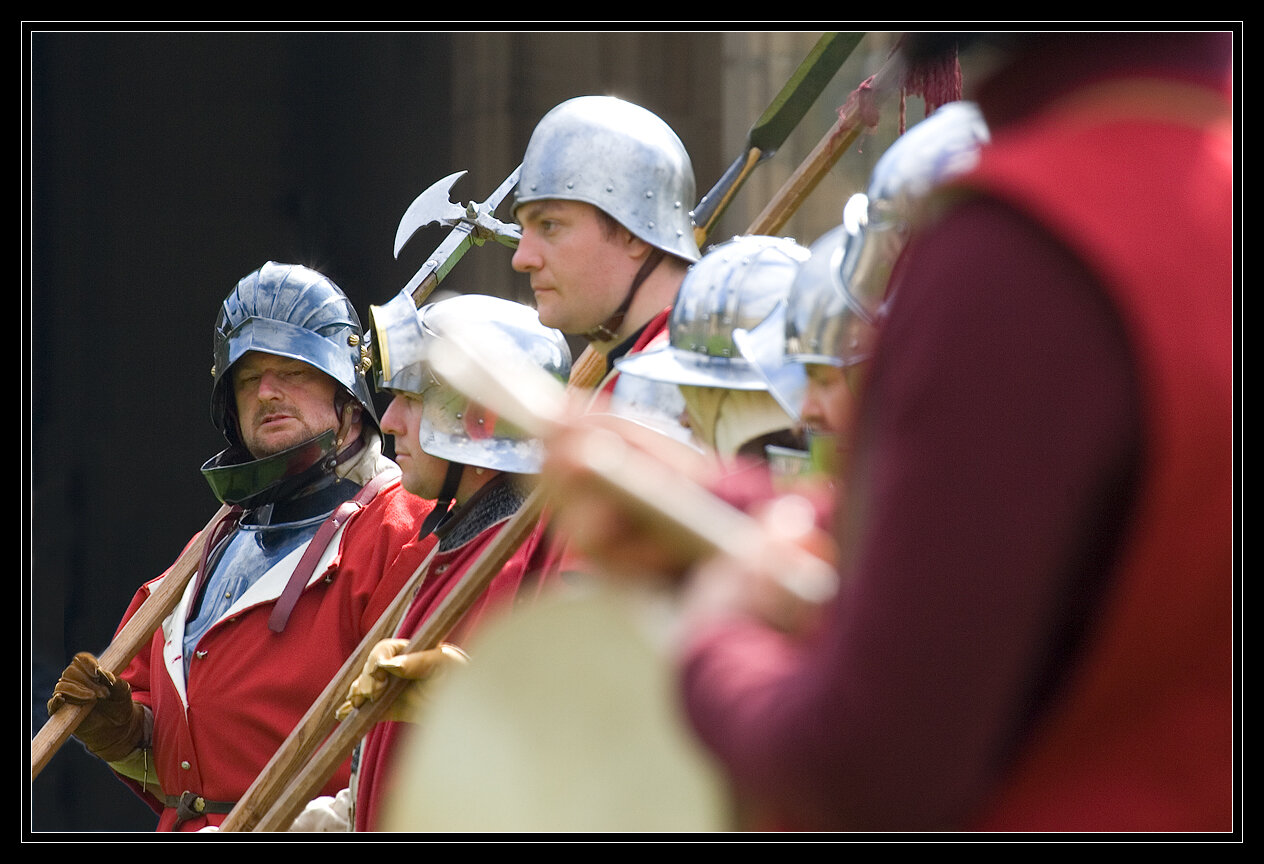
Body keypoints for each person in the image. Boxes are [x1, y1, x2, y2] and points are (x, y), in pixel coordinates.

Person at [667, 32, 1234, 832]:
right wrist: (704, 502)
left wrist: (709, 641)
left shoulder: (1021, 249)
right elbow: (1003, 539)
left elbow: (868, 763)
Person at [44, 262, 437, 831]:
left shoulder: (402, 533)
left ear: (347, 394)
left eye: (292, 370)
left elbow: (414, 768)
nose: (267, 392)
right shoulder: (204, 555)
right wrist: (127, 733)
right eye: (248, 378)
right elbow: (184, 764)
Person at [297, 291, 573, 833]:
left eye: (411, 398)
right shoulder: (461, 548)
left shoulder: (522, 563)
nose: (389, 420)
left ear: (479, 419)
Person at [511, 94, 701, 399]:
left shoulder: (685, 378)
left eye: (549, 225)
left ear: (633, 234)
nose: (522, 259)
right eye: (524, 229)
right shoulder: (639, 373)